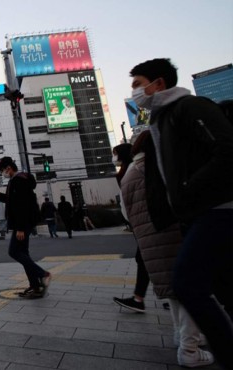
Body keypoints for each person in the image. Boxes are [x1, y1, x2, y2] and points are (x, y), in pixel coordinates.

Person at [129, 58, 233, 368]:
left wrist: (188, 188)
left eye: (138, 84)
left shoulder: (190, 107)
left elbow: (228, 150)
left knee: (186, 283)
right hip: (196, 214)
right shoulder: (160, 119)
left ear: (158, 83)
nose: (135, 92)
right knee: (223, 286)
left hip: (218, 210)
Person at [119, 131, 213, 367]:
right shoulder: (157, 167)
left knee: (174, 290)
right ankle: (190, 348)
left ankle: (181, 336)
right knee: (190, 288)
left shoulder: (129, 172)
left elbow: (124, 212)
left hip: (148, 240)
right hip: (171, 234)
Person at [0, 156, 51, 299]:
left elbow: (22, 206)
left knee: (14, 252)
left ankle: (43, 275)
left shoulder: (18, 181)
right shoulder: (19, 179)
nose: (2, 173)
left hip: (22, 223)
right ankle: (35, 286)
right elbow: (14, 200)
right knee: (23, 253)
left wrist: (21, 228)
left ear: (8, 168)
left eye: (2, 170)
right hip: (25, 222)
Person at [112, 142, 150, 313]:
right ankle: (140, 297)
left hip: (144, 221)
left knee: (144, 258)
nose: (113, 157)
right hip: (139, 221)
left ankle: (140, 298)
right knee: (144, 258)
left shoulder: (133, 170)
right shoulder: (129, 170)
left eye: (115, 153)